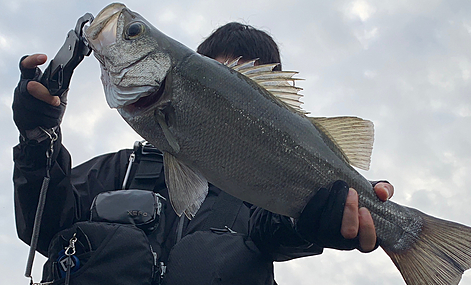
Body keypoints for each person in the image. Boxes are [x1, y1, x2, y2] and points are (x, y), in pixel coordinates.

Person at [13, 22, 394, 284]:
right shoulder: (120, 169)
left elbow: (278, 232)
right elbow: (42, 228)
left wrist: (314, 222)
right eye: (220, 82)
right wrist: (37, 137)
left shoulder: (262, 205)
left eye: (247, 90)